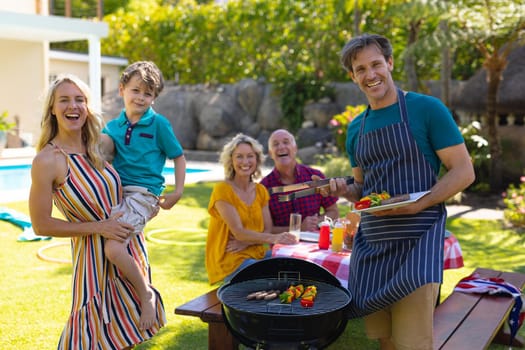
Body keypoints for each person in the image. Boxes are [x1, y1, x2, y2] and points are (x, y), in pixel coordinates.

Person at [326, 34, 475, 350]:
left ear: (390, 63)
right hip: (374, 246)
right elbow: (364, 189)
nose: (371, 75)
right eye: (361, 69)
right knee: (386, 339)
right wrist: (344, 190)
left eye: (376, 64)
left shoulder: (426, 109)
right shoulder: (356, 128)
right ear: (353, 77)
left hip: (417, 241)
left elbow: (464, 171)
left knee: (414, 342)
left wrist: (420, 203)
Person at [29, 74, 166, 349]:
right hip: (92, 265)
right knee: (89, 340)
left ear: (88, 107)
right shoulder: (47, 160)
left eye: (80, 100)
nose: (74, 106)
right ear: (52, 109)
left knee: (128, 338)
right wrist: (99, 227)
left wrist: (146, 206)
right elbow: (41, 225)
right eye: (64, 100)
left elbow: (140, 173)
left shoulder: (100, 146)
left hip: (126, 252)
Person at [101, 60, 186, 330]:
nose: (141, 97)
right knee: (107, 240)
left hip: (143, 195)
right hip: (116, 193)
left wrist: (178, 191)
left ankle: (146, 294)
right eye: (136, 90)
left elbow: (179, 157)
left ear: (154, 97)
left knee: (113, 248)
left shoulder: (158, 124)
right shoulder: (112, 127)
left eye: (148, 93)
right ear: (122, 89)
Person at [206, 133, 298, 285]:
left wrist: (248, 242)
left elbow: (267, 229)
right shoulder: (222, 190)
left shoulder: (261, 190)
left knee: (294, 264)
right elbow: (239, 232)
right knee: (276, 282)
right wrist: (273, 238)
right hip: (230, 261)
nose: (245, 162)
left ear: (257, 160)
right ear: (231, 161)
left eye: (250, 156)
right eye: (239, 157)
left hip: (256, 254)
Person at [260, 129, 339, 233]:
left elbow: (333, 211)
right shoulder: (264, 187)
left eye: (286, 142)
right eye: (275, 144)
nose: (281, 147)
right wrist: (297, 229)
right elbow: (266, 230)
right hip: (283, 247)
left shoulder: (315, 177)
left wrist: (316, 222)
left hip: (314, 244)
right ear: (270, 153)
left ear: (295, 148)